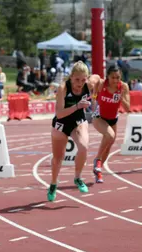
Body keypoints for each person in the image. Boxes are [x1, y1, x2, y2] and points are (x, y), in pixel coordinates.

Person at [48, 61, 93, 202]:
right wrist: (78, 106)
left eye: (83, 80)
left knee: (84, 147)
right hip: (62, 123)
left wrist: (96, 99)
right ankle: (54, 183)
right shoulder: (63, 88)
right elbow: (59, 113)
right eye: (77, 79)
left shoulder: (89, 85)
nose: (80, 83)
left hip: (78, 122)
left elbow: (99, 81)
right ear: (71, 77)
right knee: (57, 159)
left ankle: (78, 178)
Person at [89, 65, 130, 183]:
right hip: (99, 117)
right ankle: (97, 160)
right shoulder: (102, 84)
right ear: (108, 76)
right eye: (113, 77)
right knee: (110, 136)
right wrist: (93, 93)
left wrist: (121, 98)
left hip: (113, 119)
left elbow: (127, 109)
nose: (115, 80)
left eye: (118, 77)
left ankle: (98, 170)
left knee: (108, 145)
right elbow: (94, 81)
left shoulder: (123, 87)